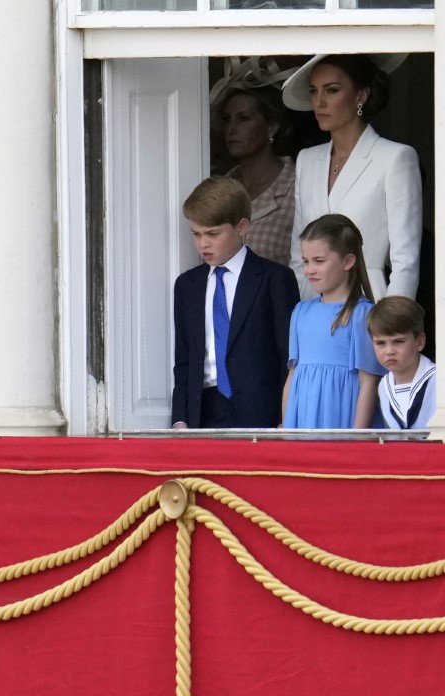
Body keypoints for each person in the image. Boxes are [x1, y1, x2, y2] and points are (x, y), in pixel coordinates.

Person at [282, 53, 423, 302]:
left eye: (332, 90)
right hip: (315, 307)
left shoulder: (395, 158)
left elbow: (405, 260)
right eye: (314, 91)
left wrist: (392, 325)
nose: (319, 102)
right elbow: (298, 252)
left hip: (369, 305)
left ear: (361, 95)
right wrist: (303, 312)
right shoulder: (307, 159)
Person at [172, 176, 299, 429]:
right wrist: (180, 418)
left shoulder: (275, 279)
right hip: (203, 410)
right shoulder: (187, 285)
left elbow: (289, 357)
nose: (202, 243)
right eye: (196, 234)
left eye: (212, 233)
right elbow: (185, 359)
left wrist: (286, 418)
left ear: (242, 227)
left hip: (261, 411)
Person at [281, 214, 384, 429]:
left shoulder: (362, 314)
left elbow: (369, 382)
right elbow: (292, 376)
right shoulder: (301, 312)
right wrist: (287, 425)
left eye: (319, 261)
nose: (309, 270)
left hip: (342, 418)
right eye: (306, 261)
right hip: (303, 419)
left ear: (348, 261)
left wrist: (358, 436)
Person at [219, 87, 296, 267]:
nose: (231, 129)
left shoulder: (297, 188)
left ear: (271, 128)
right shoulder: (219, 189)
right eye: (226, 120)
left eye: (243, 119)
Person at [367, 295, 436, 432]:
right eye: (380, 343)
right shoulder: (383, 386)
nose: (389, 351)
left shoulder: (439, 381)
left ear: (419, 342)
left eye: (398, 342)